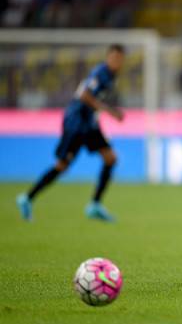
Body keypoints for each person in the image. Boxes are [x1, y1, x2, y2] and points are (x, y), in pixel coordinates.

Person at [16, 44, 126, 222]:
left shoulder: (112, 77)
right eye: (113, 58)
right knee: (62, 166)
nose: (116, 61)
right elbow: (84, 95)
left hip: (90, 123)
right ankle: (27, 198)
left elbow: (96, 98)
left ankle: (95, 205)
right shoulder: (101, 73)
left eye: (119, 59)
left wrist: (107, 111)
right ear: (107, 58)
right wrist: (110, 111)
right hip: (76, 122)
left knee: (110, 158)